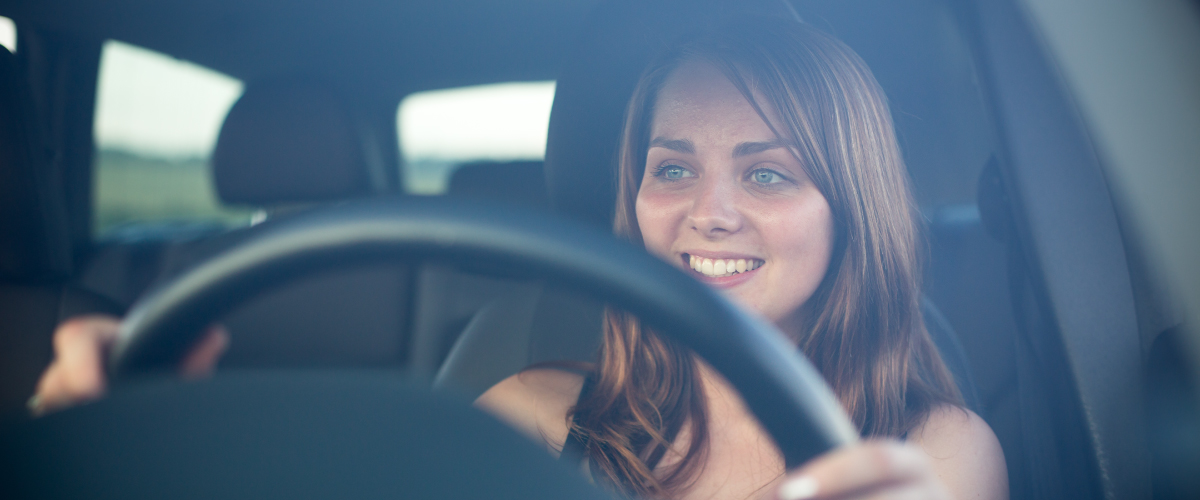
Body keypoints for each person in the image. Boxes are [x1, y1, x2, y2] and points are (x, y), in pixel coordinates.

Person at [31, 16, 1007, 500]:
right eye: (672, 167)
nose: (709, 212)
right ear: (629, 201)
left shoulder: (936, 449)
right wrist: (110, 461)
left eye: (767, 175)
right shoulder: (534, 408)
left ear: (853, 212)